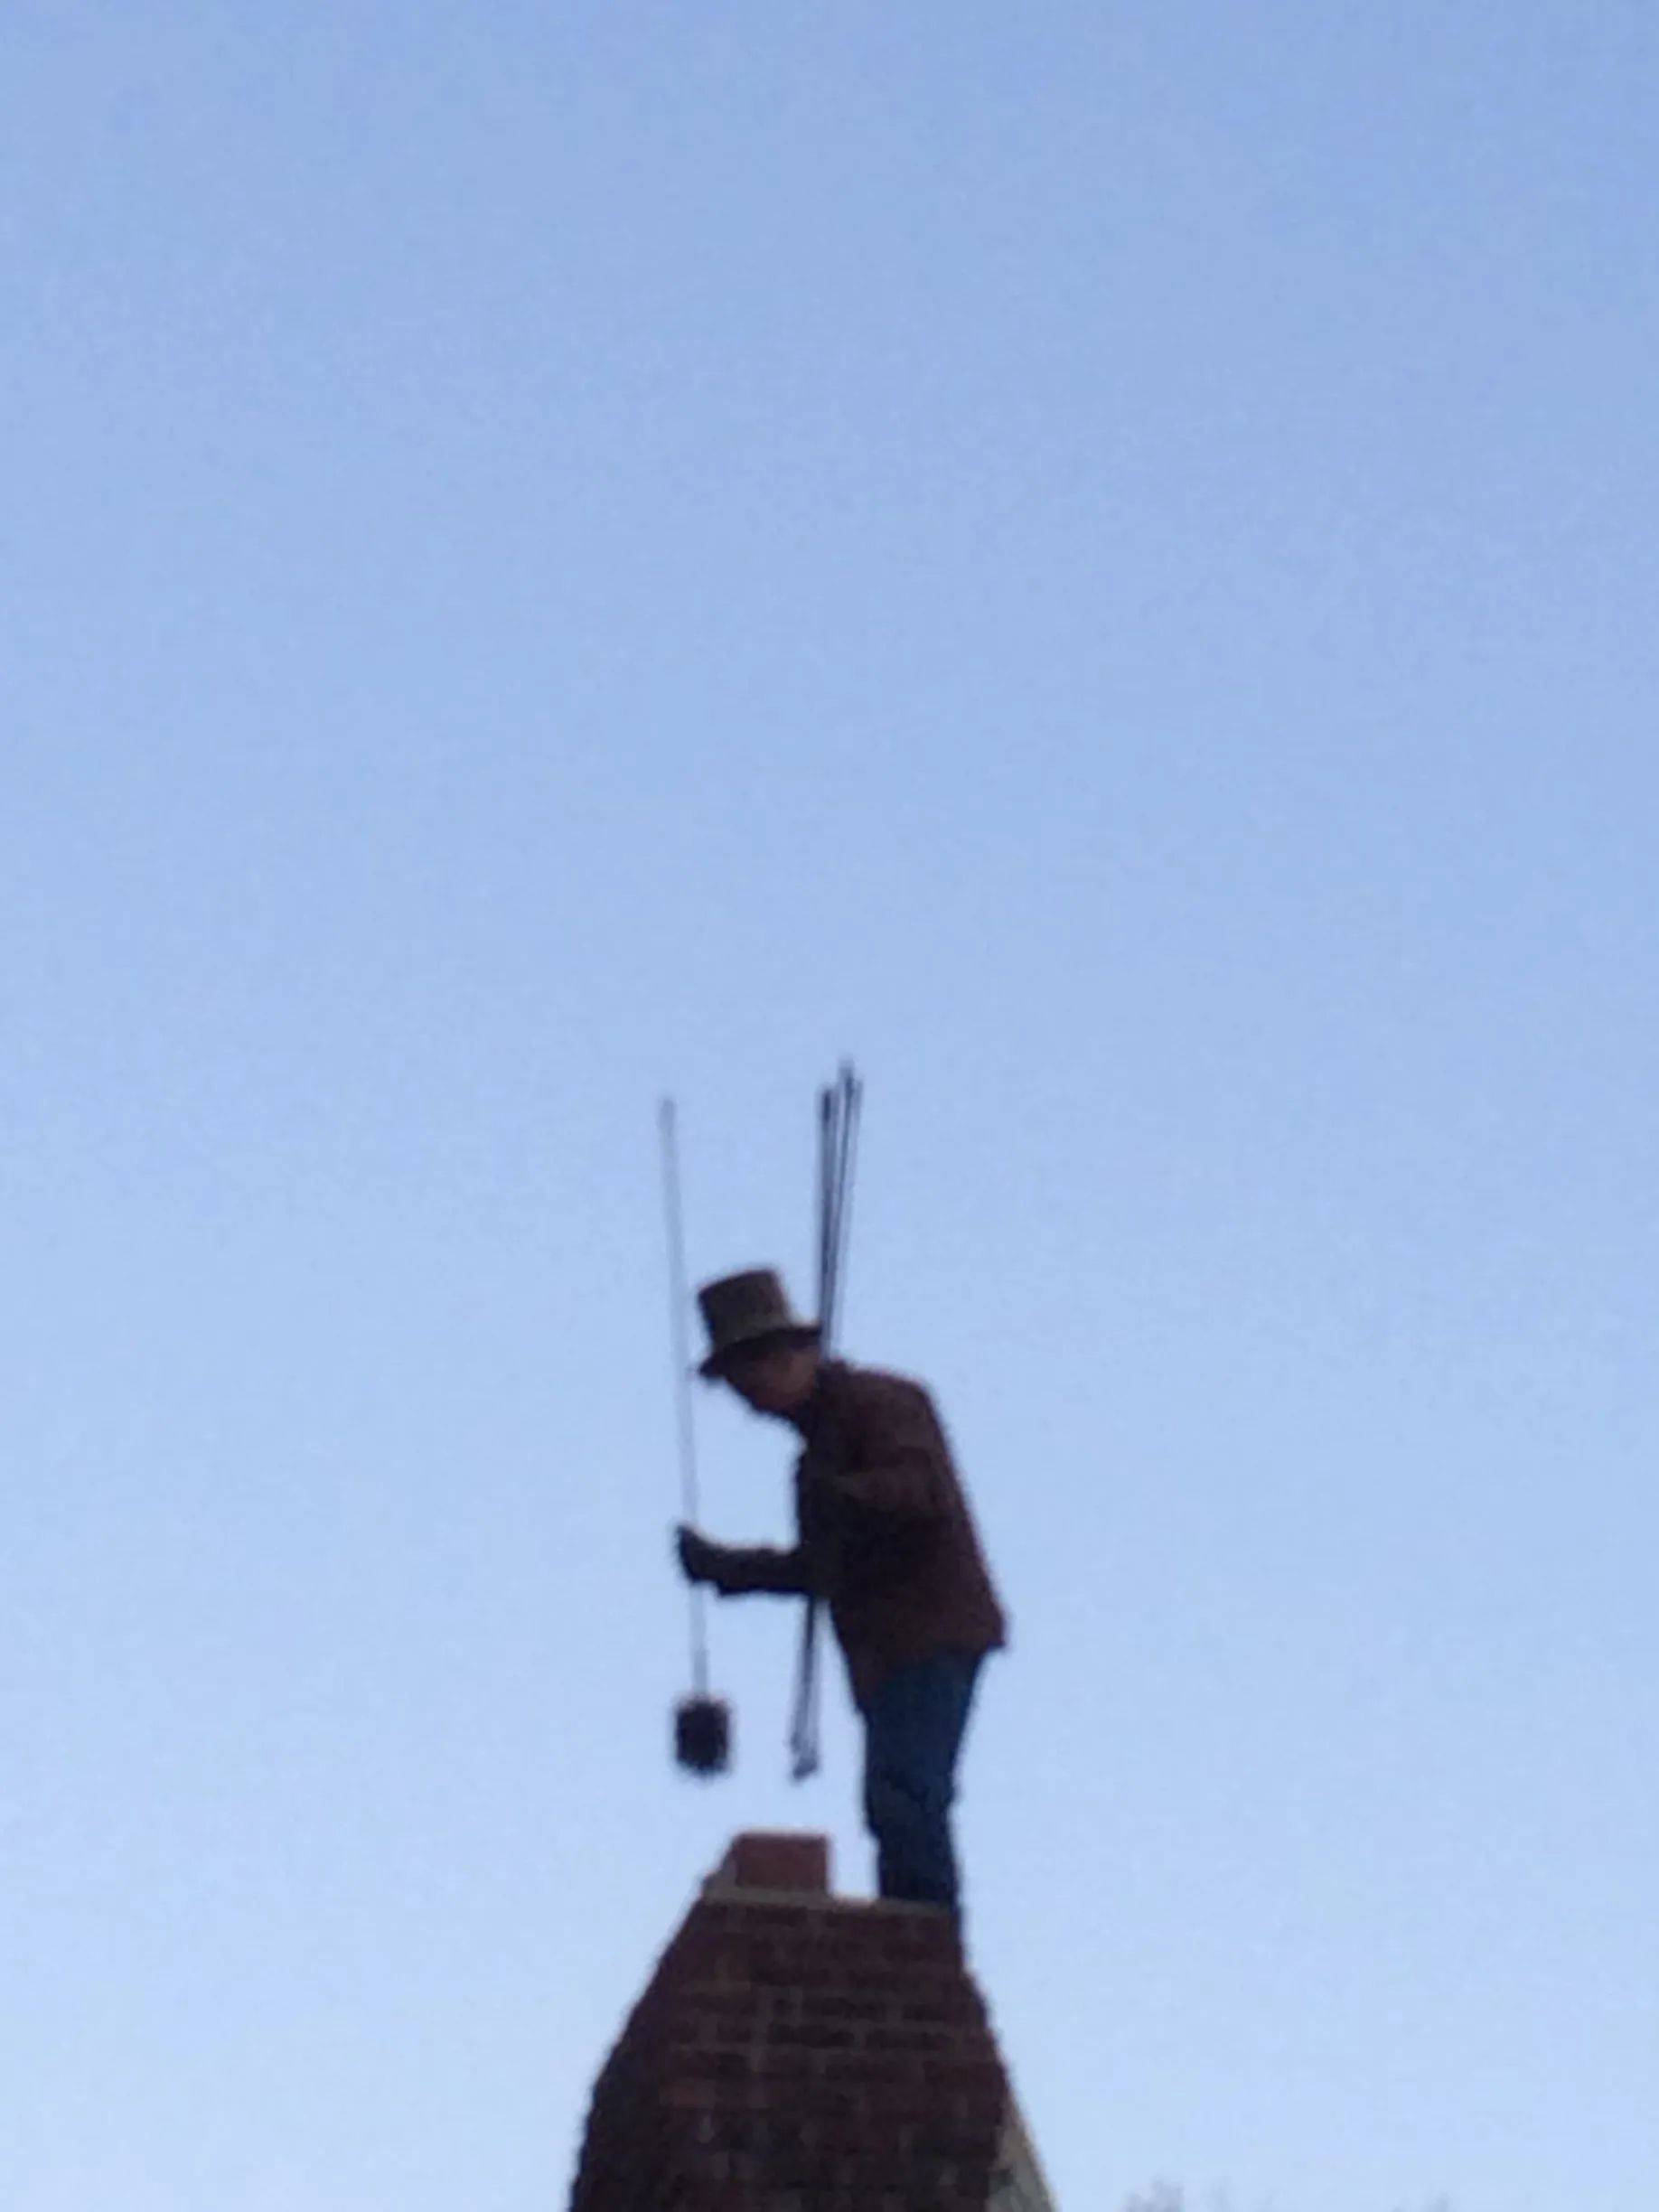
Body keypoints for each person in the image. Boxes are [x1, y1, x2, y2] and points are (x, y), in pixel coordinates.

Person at [675, 1267, 1007, 1917]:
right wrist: (727, 1567)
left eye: (750, 1379)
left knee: (905, 1792)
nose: (748, 1400)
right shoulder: (814, 1459)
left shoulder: (883, 1403)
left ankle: (923, 1940)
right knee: (895, 1796)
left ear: (788, 1357)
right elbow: (823, 1568)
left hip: (929, 1631)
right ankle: (915, 1935)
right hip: (886, 1650)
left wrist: (847, 1495)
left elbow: (920, 1495)